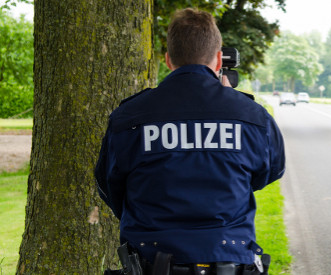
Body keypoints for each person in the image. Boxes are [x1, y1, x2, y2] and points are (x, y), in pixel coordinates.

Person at [95, 8, 285, 275]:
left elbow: (109, 185)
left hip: (151, 259)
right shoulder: (252, 116)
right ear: (219, 60)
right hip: (230, 257)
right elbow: (269, 172)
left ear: (169, 59)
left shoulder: (129, 116)